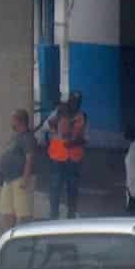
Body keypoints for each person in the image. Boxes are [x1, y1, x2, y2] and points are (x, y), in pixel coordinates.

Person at [45, 90, 88, 219]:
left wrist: (75, 143)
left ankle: (71, 214)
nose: (74, 104)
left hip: (74, 158)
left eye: (77, 102)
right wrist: (59, 114)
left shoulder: (82, 116)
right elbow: (48, 127)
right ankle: (54, 215)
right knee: (55, 186)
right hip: (57, 157)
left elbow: (86, 138)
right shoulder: (58, 113)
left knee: (72, 187)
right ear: (68, 101)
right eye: (72, 101)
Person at [0, 108, 41, 228]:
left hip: (20, 178)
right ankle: (9, 237)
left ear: (19, 121)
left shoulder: (27, 138)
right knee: (7, 211)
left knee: (23, 212)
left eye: (13, 119)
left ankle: (25, 239)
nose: (11, 122)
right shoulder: (15, 136)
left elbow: (29, 159)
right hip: (8, 179)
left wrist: (25, 178)